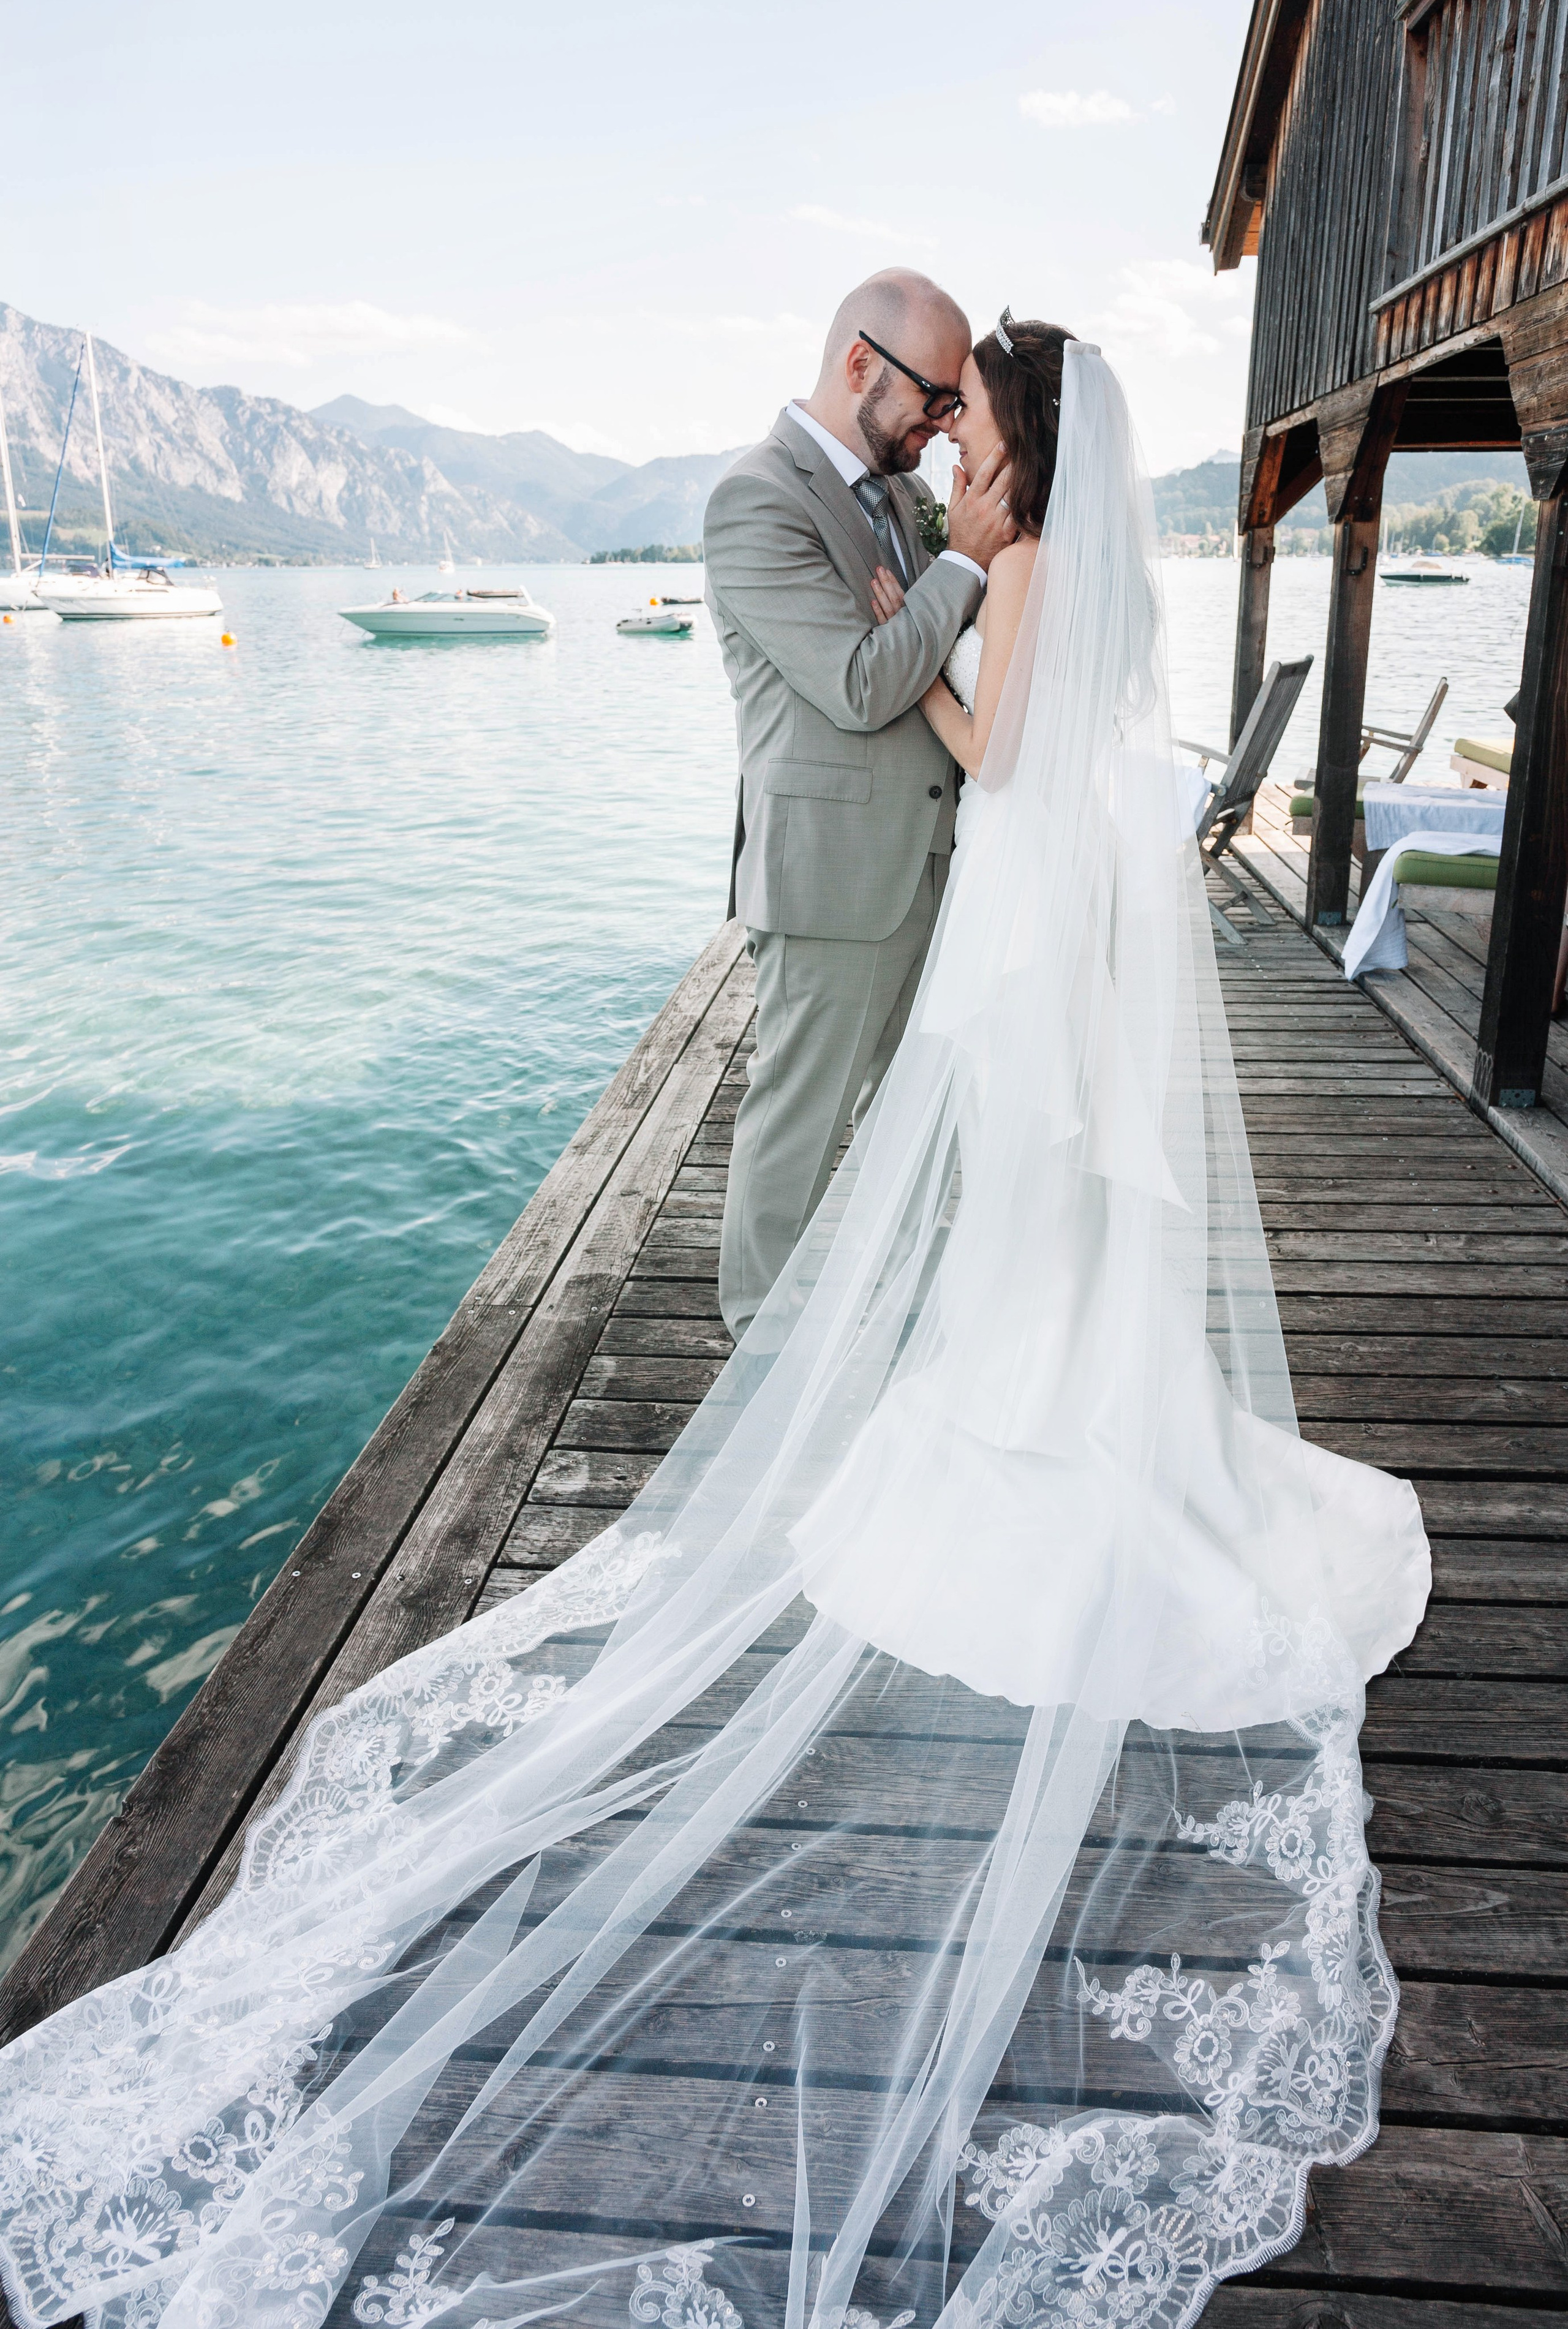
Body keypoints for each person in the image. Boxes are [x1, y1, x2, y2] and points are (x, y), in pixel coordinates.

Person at [0, 327, 1430, 2329]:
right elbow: (1003, 734)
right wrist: (929, 619)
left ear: (1022, 463)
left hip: (1006, 942)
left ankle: (1033, 1427)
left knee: (1010, 1224)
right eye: (951, 421)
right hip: (1012, 933)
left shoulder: (1003, 576)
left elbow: (990, 747)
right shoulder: (1023, 569)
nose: (959, 456)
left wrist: (913, 623)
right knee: (1023, 1237)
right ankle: (1041, 1406)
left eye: (981, 436)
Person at [704, 270, 1016, 1340]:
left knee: (919, 1121)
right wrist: (961, 565)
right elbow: (860, 682)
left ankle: (899, 1329)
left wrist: (946, 577)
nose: (943, 423)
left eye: (951, 406)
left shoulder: (910, 497)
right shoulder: (757, 499)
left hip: (936, 862)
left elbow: (929, 650)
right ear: (858, 366)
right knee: (798, 1130)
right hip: (833, 881)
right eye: (934, 398)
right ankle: (759, 1346)